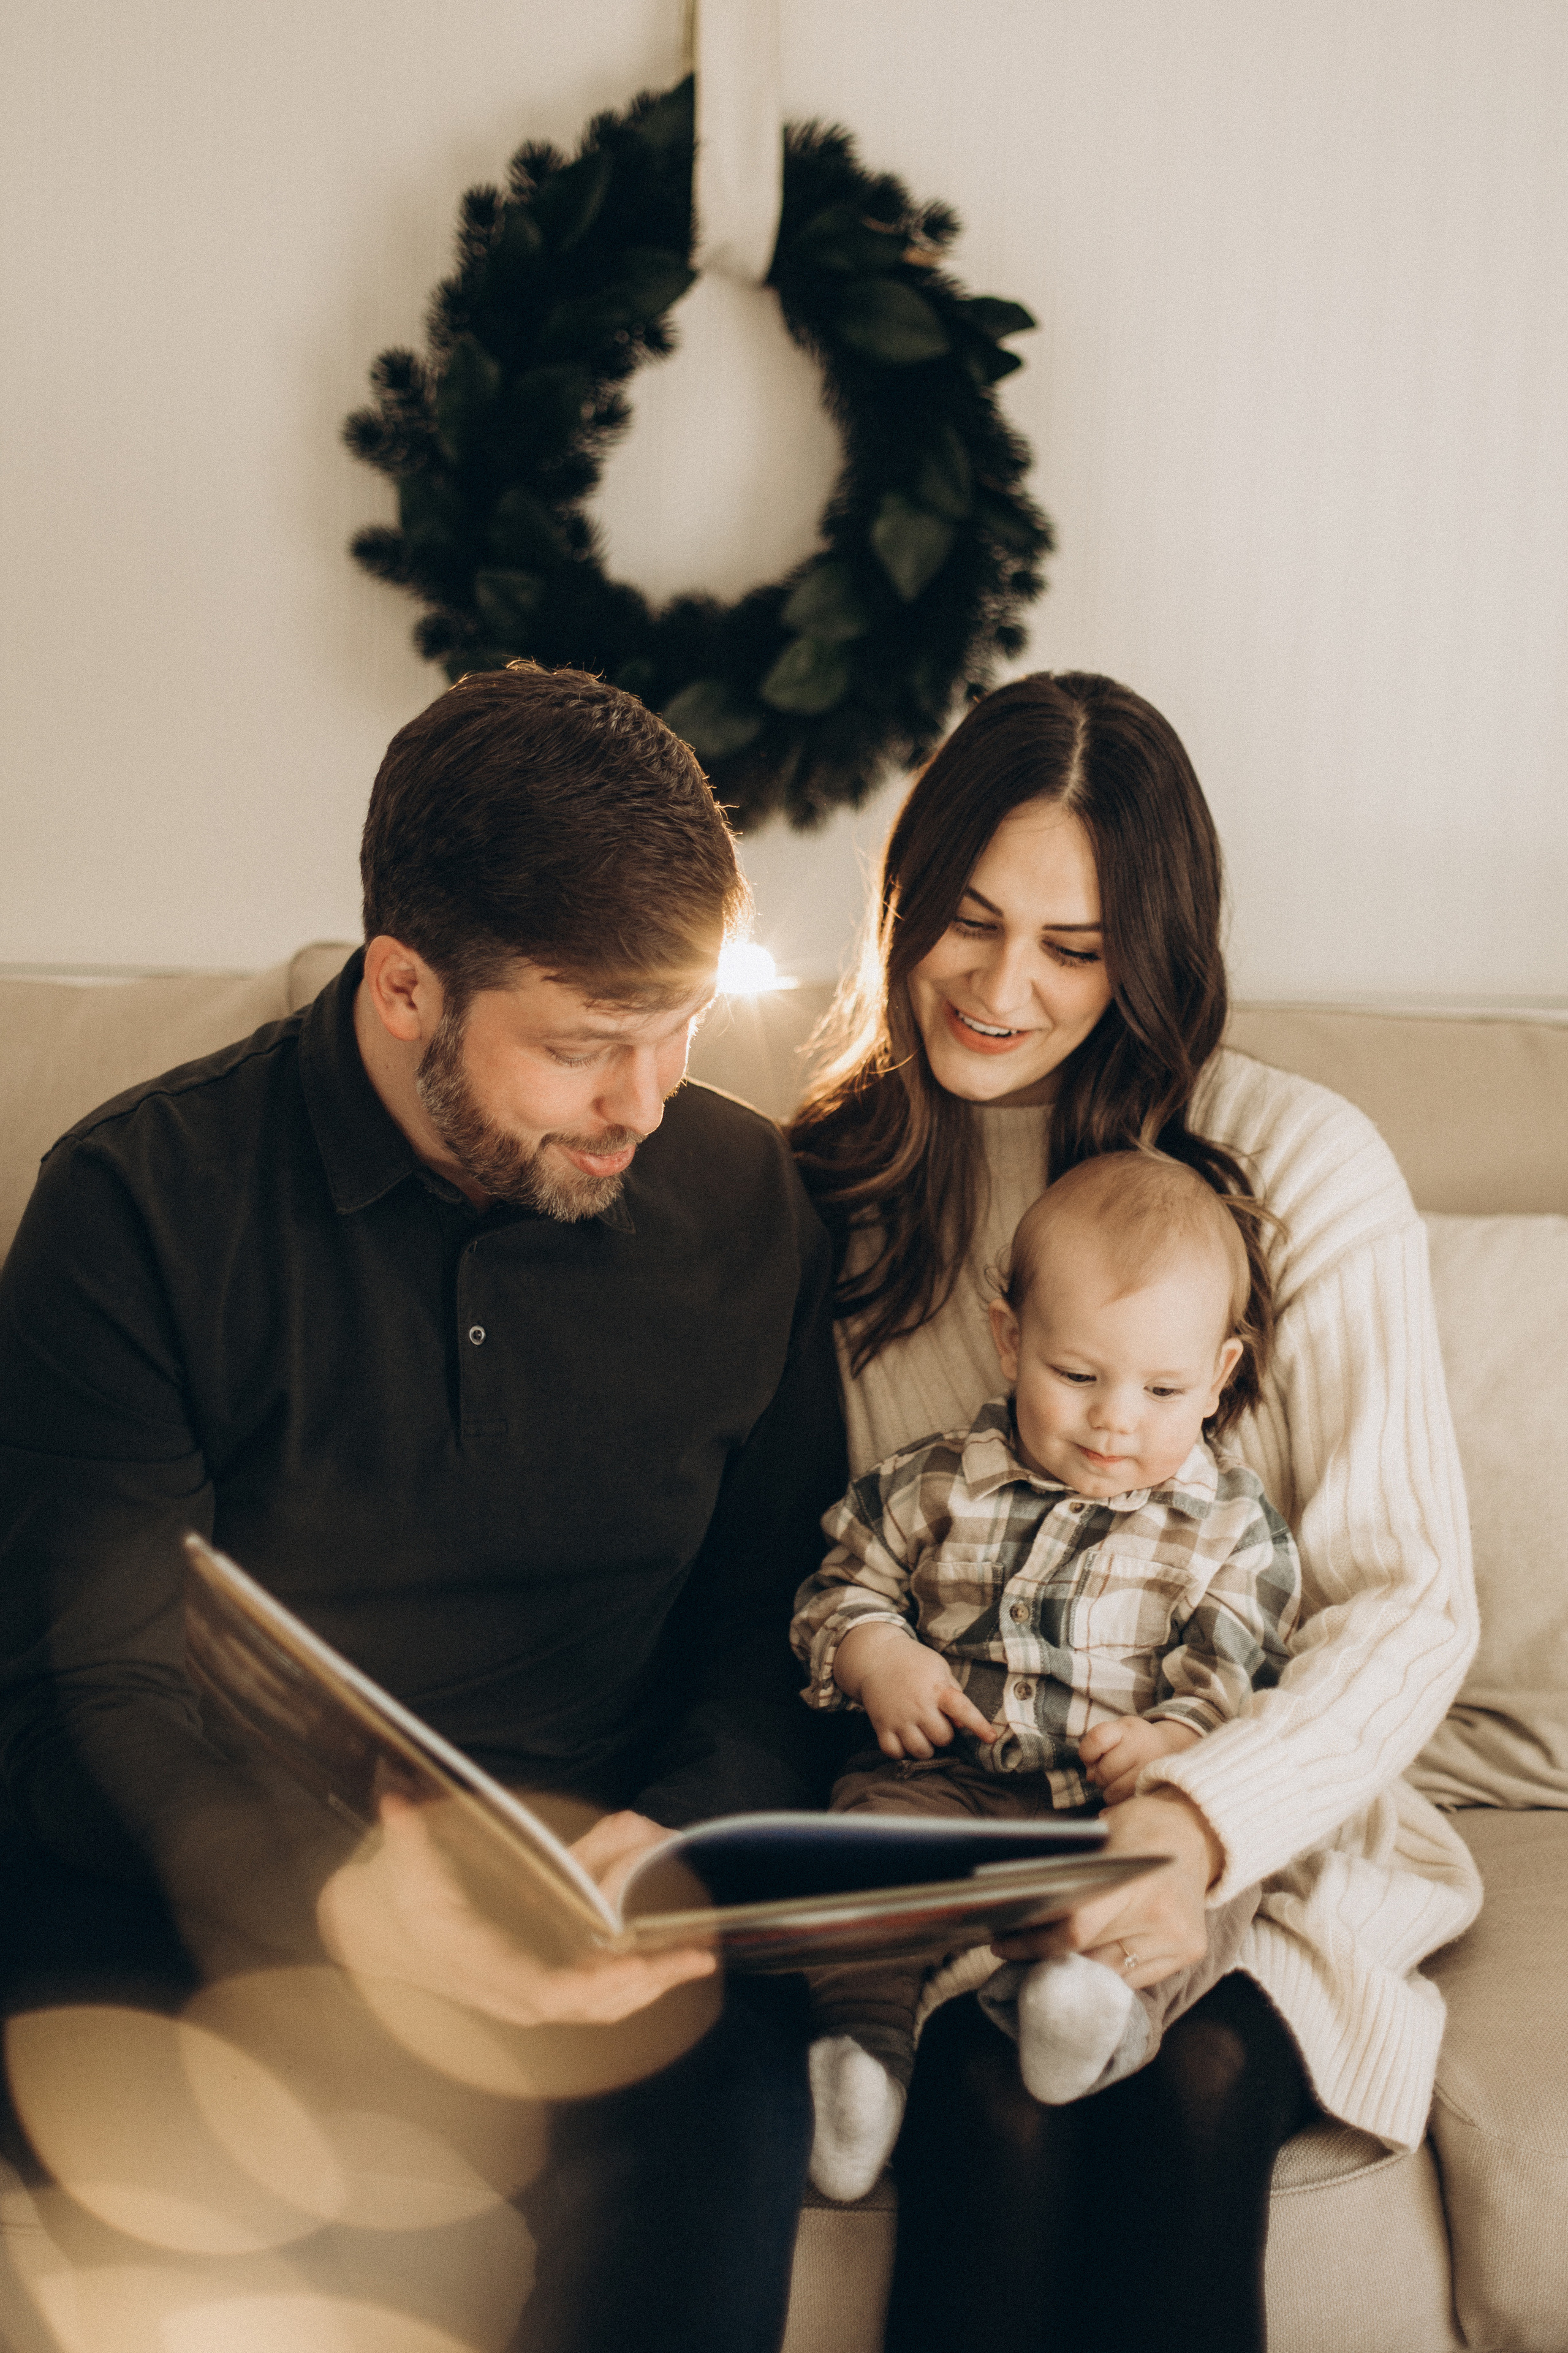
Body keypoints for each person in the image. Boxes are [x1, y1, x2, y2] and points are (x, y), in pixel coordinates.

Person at [0, 661, 847, 2353]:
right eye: (588, 1046)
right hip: (208, 1890)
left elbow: (775, 1624)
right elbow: (81, 1694)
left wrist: (673, 1842)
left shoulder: (742, 1195)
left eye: (682, 1026)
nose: (650, 1099)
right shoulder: (136, 1210)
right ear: (403, 989)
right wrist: (322, 1892)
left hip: (601, 1900)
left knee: (719, 2164)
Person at [788, 671, 1481, 2353]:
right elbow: (832, 1554)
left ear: (1150, 952)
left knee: (1199, 2078)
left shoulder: (1295, 1164)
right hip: (963, 1811)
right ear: (903, 899)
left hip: (1259, 1815)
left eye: (1074, 947)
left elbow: (1407, 1604)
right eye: (965, 920)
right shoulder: (836, 1187)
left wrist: (1197, 1823)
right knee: (989, 2094)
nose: (1003, 987)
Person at [792, 1153, 1298, 2202]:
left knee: (1219, 1888)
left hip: (1128, 1804)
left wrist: (1178, 1738)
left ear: (1220, 1376)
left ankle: (1102, 2010)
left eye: (1162, 1390)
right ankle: (860, 2058)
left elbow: (1241, 1663)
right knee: (858, 1850)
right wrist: (873, 1652)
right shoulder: (936, 1480)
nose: (1116, 1420)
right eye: (1079, 1377)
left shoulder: (1228, 1527)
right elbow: (840, 1586)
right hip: (949, 1777)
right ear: (1010, 1339)